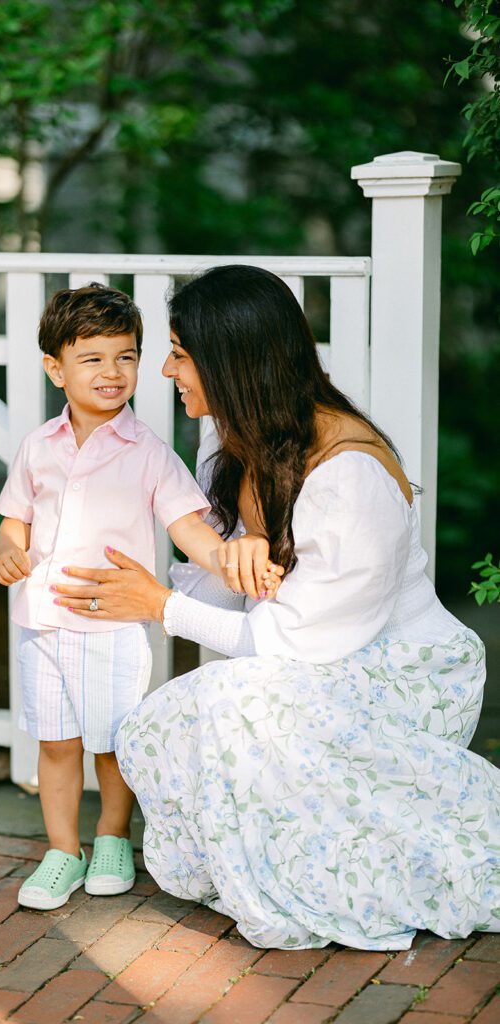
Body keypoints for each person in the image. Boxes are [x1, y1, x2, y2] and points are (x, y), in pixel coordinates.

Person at [52, 265, 500, 950]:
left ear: (230, 361)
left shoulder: (348, 474)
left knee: (231, 704)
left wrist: (161, 606)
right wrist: (196, 571)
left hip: (402, 673)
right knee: (167, 720)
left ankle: (350, 875)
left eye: (179, 351)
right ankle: (275, 863)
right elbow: (223, 575)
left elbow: (295, 641)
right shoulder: (232, 438)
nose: (166, 369)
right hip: (315, 659)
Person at [0, 282, 281, 913]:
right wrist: (6, 550)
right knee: (57, 743)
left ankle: (113, 837)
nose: (112, 372)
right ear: (55, 368)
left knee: (112, 743)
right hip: (42, 622)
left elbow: (187, 526)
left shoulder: (148, 450)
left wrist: (229, 559)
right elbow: (15, 518)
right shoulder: (38, 446)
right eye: (92, 358)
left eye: (125, 356)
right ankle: (63, 851)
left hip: (112, 625)